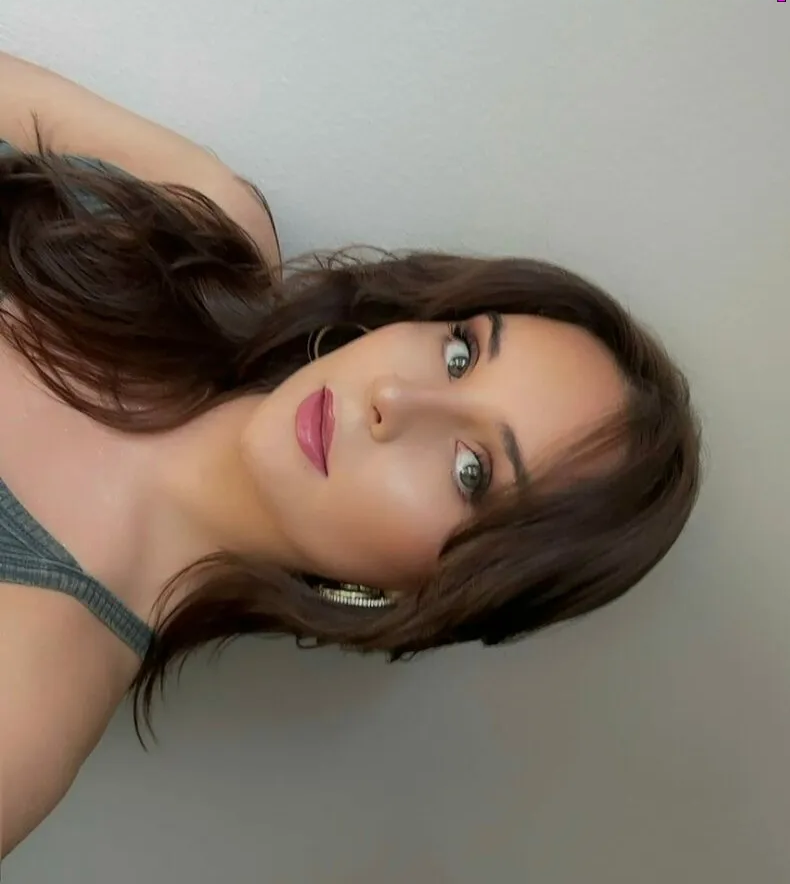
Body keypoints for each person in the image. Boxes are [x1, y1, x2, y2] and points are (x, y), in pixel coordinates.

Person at [0, 52, 701, 855]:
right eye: (460, 354)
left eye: (471, 472)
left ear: (427, 593)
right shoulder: (198, 223)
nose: (394, 400)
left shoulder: (30, 700)